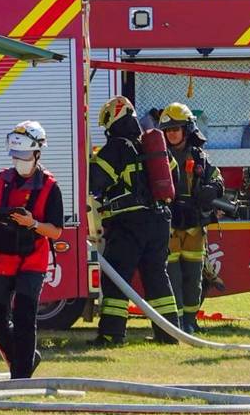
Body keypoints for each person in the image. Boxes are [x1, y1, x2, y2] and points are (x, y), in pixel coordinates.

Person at [0, 121, 64, 379]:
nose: (19, 160)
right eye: (15, 155)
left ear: (37, 153)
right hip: (2, 257)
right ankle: (26, 359)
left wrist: (32, 223)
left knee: (24, 317)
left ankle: (20, 376)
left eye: (24, 155)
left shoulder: (50, 187)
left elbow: (55, 231)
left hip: (32, 258)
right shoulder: (0, 181)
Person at [90, 96, 181, 345]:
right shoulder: (152, 146)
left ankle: (111, 334)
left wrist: (89, 163)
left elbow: (95, 182)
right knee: (156, 277)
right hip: (160, 221)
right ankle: (170, 334)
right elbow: (175, 179)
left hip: (128, 223)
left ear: (113, 119)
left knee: (117, 278)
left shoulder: (116, 147)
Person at [159, 102, 224, 334]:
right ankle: (175, 323)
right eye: (168, 130)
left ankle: (190, 321)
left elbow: (217, 177)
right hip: (170, 227)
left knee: (194, 278)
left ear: (186, 129)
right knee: (173, 277)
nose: (172, 133)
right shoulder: (159, 156)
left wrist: (213, 188)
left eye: (176, 128)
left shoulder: (199, 157)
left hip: (195, 227)